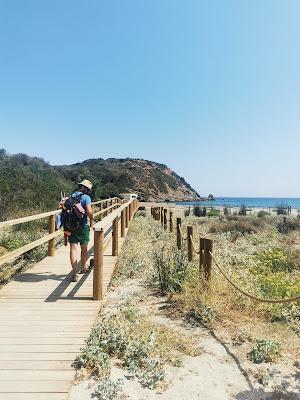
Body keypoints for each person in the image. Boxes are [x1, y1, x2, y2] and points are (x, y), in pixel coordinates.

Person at [69, 179, 93, 282]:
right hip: (83, 226)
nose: (88, 191)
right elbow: (89, 211)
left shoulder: (72, 196)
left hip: (71, 226)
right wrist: (92, 219)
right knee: (84, 249)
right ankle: (83, 268)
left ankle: (74, 273)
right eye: (87, 189)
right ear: (85, 188)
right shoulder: (86, 197)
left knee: (73, 249)